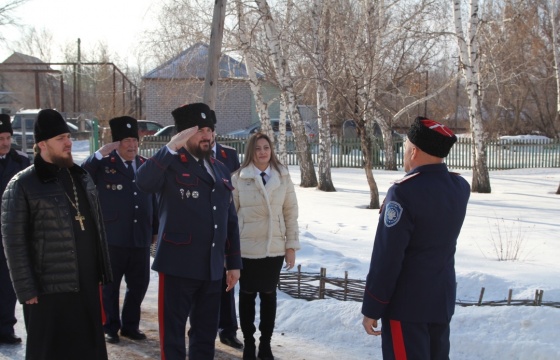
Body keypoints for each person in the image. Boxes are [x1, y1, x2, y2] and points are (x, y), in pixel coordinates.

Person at [1, 109, 113, 360]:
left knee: (87, 351)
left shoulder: (80, 177)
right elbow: (13, 241)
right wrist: (25, 288)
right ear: (42, 144)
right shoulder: (22, 184)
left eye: (68, 137)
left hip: (85, 286)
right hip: (47, 291)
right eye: (61, 138)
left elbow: (94, 227)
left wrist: (101, 270)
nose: (68, 142)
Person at [136, 102, 242, 360]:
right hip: (178, 266)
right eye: (199, 130)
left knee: (205, 335)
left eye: (209, 130)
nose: (207, 136)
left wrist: (233, 262)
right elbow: (143, 181)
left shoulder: (218, 167)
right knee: (172, 335)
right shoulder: (170, 164)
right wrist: (170, 147)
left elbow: (229, 218)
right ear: (183, 134)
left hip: (212, 267)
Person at [361, 116, 470, 359]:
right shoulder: (460, 187)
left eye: (405, 147)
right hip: (440, 301)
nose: (404, 153)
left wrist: (373, 306)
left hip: (407, 306)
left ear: (414, 151)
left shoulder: (403, 192)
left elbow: (387, 257)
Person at [82, 116, 158, 344]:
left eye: (134, 140)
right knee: (110, 286)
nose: (132, 145)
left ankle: (130, 325)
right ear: (116, 143)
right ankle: (110, 326)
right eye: (126, 140)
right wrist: (99, 154)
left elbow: (152, 198)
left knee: (139, 284)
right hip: (113, 236)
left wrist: (154, 227)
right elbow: (83, 175)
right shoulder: (104, 165)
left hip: (140, 237)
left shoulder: (145, 164)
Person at [231, 132, 300, 360]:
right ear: (251, 151)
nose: (263, 152)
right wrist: (230, 251)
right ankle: (249, 343)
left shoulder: (282, 176)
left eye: (266, 148)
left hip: (274, 247)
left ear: (271, 151)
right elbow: (231, 216)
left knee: (269, 295)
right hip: (247, 247)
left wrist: (290, 246)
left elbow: (290, 212)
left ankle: (266, 344)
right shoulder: (239, 178)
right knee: (248, 295)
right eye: (258, 148)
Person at [209, 111, 244, 349]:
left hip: (226, 225)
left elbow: (237, 189)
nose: (207, 135)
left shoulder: (229, 155)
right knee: (202, 283)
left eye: (210, 129)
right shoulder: (187, 156)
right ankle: (201, 326)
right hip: (203, 230)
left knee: (226, 283)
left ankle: (228, 329)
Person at [0, 114, 30, 345]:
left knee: (7, 282)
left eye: (8, 137)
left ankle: (5, 327)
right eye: (1, 138)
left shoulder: (21, 161)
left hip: (9, 231)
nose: (6, 142)